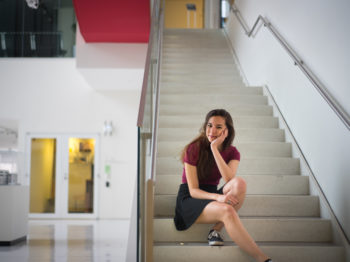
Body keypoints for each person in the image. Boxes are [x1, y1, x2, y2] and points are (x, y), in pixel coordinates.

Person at [174, 109, 273, 262]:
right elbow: (193, 191)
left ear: (227, 131)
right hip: (190, 199)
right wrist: (218, 197)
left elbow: (228, 178)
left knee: (239, 183)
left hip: (212, 196)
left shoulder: (233, 152)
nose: (212, 130)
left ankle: (215, 230)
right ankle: (263, 259)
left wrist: (214, 148)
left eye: (219, 127)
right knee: (227, 209)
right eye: (209, 125)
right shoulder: (194, 148)